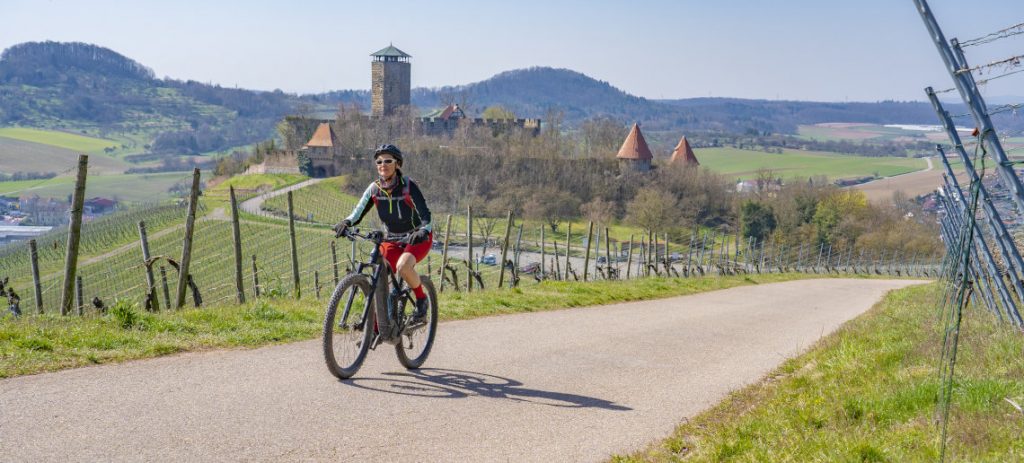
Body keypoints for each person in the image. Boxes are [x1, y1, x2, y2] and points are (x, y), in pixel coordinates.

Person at [334, 144, 433, 323]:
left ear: (397, 164)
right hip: (392, 239)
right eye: (379, 161)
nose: (383, 164)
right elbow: (358, 212)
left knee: (403, 267)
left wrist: (423, 231)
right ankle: (379, 325)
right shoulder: (374, 189)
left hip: (417, 238)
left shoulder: (408, 186)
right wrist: (346, 222)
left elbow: (426, 216)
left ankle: (421, 299)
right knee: (378, 276)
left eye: (388, 161)